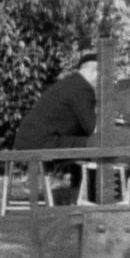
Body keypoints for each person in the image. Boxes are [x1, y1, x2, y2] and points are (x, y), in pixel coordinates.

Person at [13, 52, 98, 200]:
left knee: (83, 142)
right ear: (93, 72)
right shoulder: (82, 89)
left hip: (30, 140)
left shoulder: (71, 83)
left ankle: (79, 194)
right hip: (42, 142)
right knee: (97, 144)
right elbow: (93, 129)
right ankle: (91, 197)